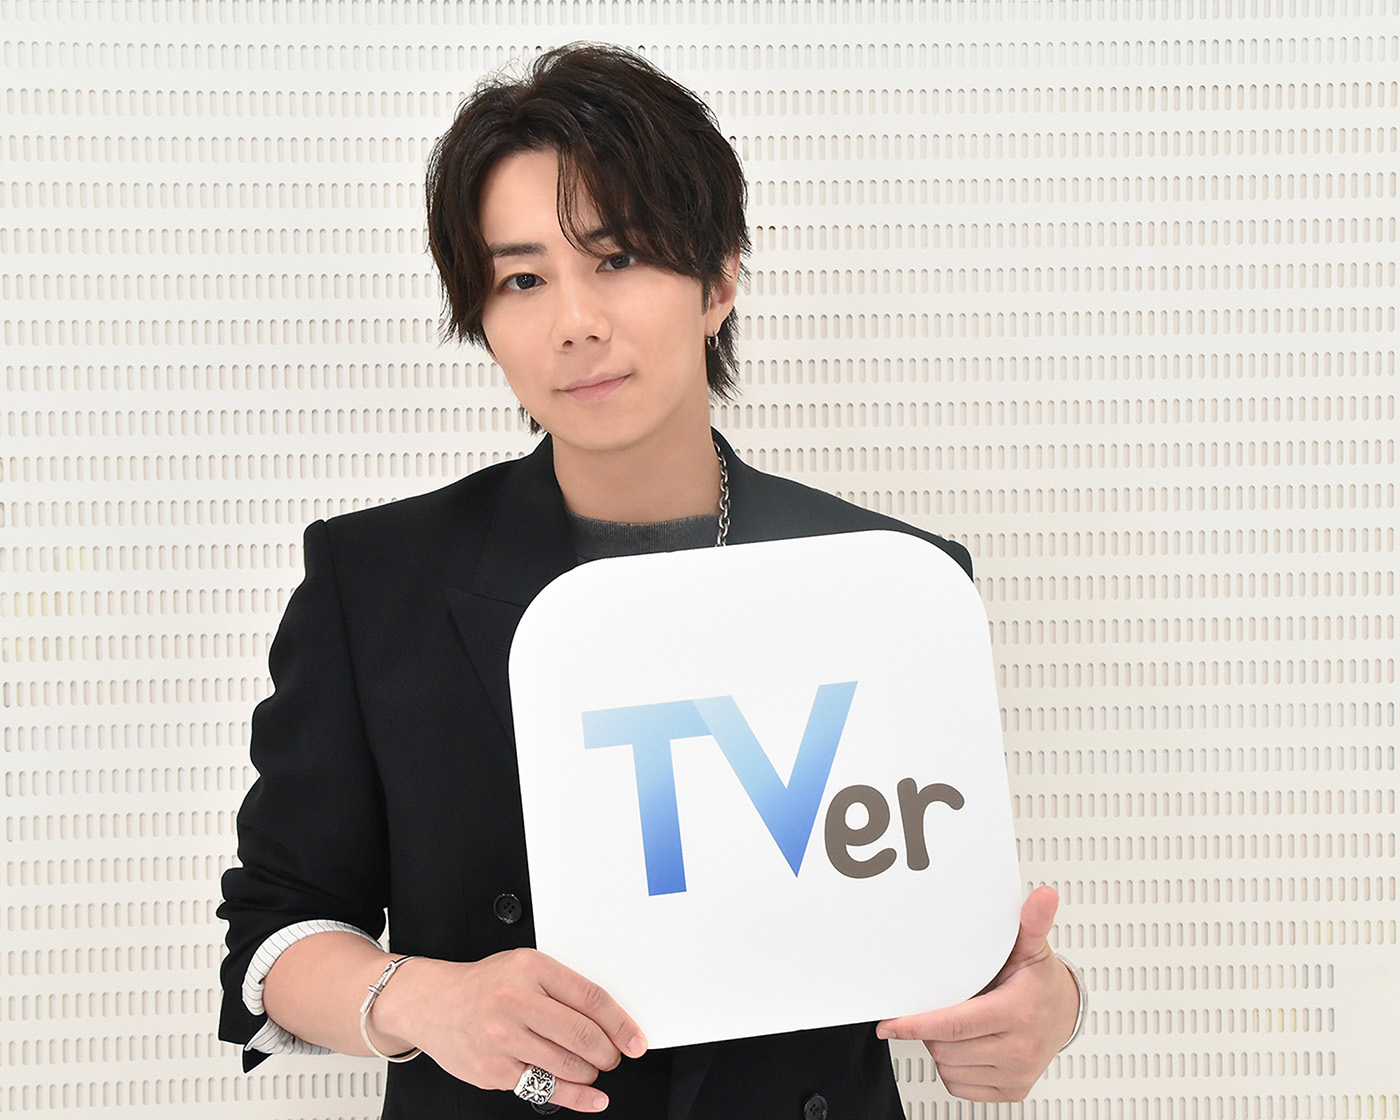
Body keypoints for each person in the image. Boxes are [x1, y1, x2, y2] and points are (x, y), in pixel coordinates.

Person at [218, 43, 1085, 1118]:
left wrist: (1044, 1004)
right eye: (522, 279)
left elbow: (947, 916)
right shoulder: (376, 582)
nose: (575, 321)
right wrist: (424, 999)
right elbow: (274, 931)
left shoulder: (894, 581)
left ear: (717, 281)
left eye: (618, 257)